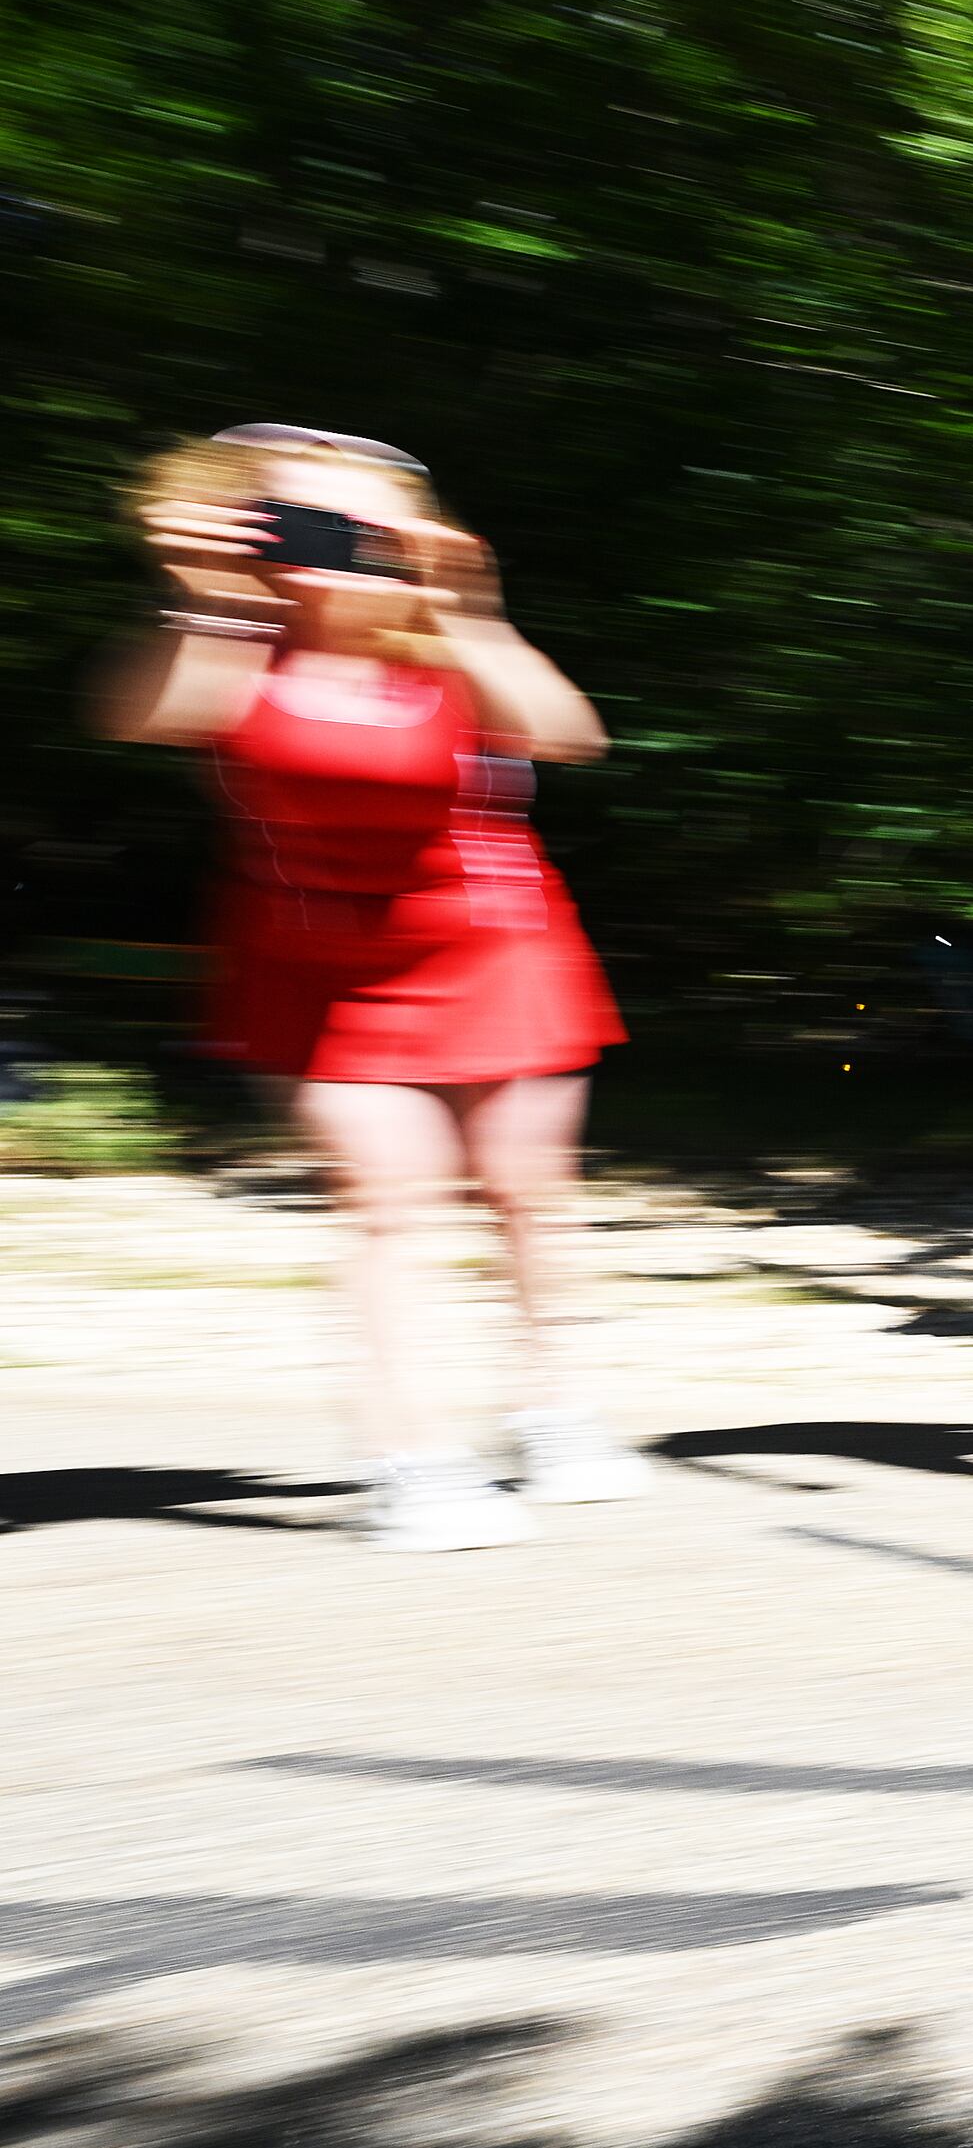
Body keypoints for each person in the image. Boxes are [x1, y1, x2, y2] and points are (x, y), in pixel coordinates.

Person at [96, 423, 640, 1551]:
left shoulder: (441, 642)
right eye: (287, 521)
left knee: (526, 1192)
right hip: (320, 967)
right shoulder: (234, 644)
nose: (324, 548)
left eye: (354, 525)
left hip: (500, 944)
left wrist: (467, 609)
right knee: (388, 1200)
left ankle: (553, 1408)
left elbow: (567, 734)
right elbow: (149, 716)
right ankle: (411, 1460)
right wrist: (206, 593)